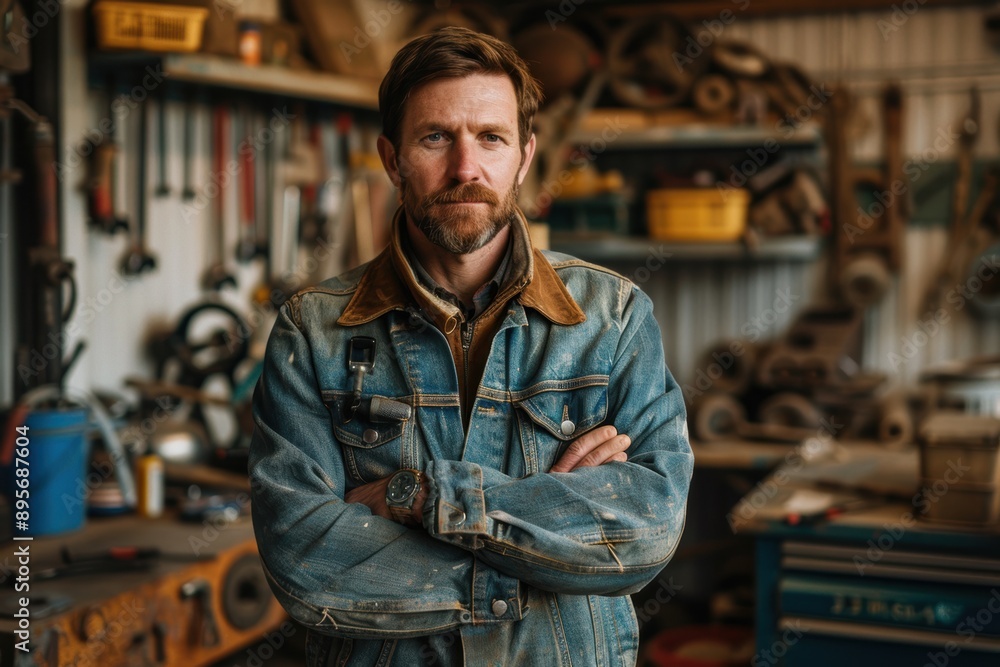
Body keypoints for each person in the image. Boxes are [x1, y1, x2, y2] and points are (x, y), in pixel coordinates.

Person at [249, 26, 693, 666]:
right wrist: (549, 542)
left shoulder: (613, 318)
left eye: (491, 137)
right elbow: (306, 558)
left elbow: (647, 527)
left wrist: (421, 498)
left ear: (525, 155)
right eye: (436, 137)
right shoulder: (312, 334)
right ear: (391, 157)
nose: (466, 168)